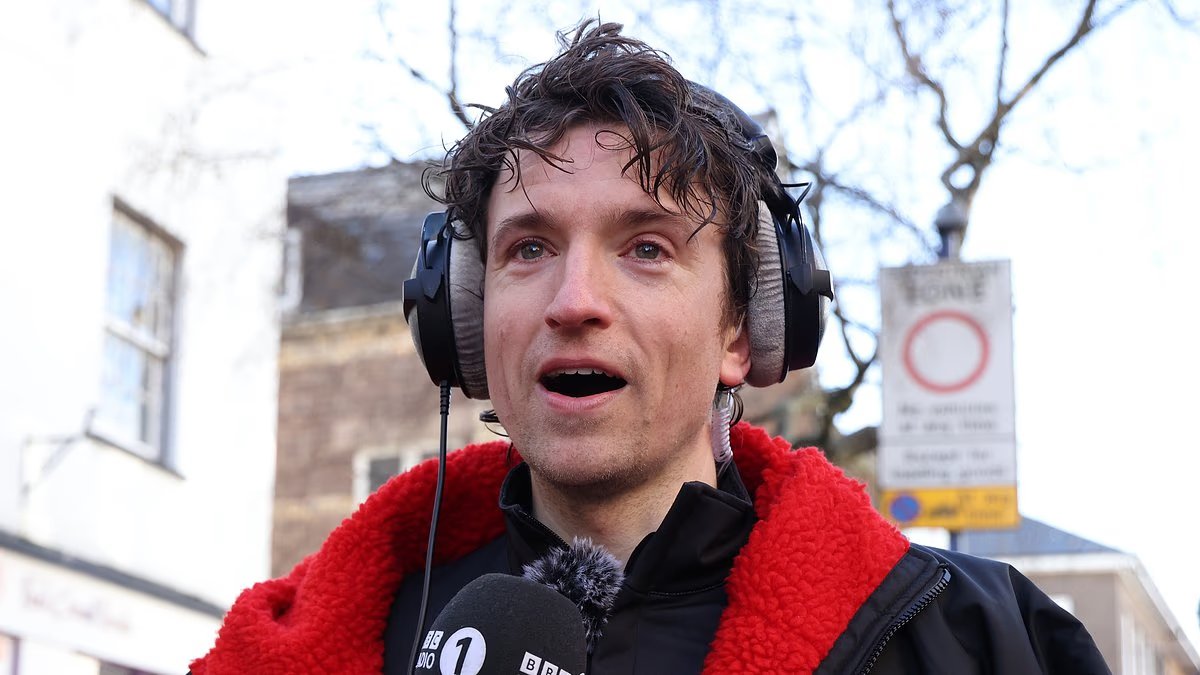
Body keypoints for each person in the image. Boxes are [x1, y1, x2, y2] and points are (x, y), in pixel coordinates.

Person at [190, 20, 1110, 675]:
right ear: (465, 326)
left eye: (646, 248)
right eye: (529, 249)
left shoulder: (975, 639)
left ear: (742, 332)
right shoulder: (319, 638)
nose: (574, 302)